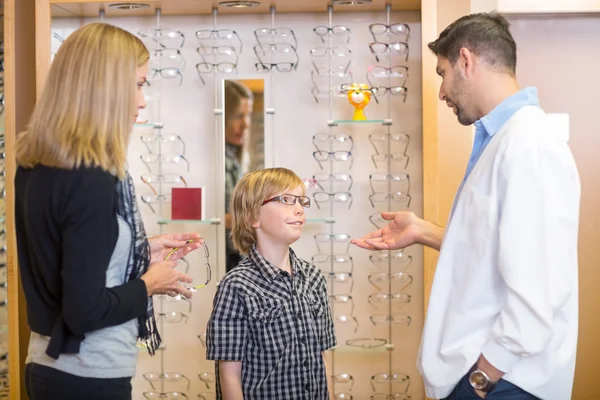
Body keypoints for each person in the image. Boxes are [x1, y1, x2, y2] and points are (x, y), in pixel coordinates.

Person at [353, 12, 580, 400]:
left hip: (504, 382)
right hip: (495, 379)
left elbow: (539, 288)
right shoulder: (505, 141)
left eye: (442, 73)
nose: (442, 91)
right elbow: (499, 250)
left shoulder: (529, 145)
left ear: (466, 60)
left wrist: (482, 378)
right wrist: (424, 231)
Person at [14, 22, 204, 400]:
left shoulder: (37, 164)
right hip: (86, 376)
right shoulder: (91, 177)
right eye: (137, 84)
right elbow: (84, 311)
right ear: (105, 89)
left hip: (48, 369)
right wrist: (151, 282)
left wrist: (138, 249)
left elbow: (68, 258)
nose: (142, 100)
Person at [206, 167, 336, 399]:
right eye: (286, 200)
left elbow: (322, 359)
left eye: (300, 201)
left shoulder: (314, 279)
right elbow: (229, 375)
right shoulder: (236, 286)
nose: (299, 209)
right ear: (252, 217)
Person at [224, 80, 254, 273]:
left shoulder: (235, 161)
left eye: (248, 115)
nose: (246, 124)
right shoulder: (216, 163)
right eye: (238, 116)